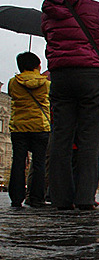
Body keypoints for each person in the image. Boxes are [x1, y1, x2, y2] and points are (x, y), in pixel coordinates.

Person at [41, 0, 99, 210]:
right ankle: (85, 198)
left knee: (60, 138)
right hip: (90, 76)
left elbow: (50, 39)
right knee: (90, 138)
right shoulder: (97, 8)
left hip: (60, 77)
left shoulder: (48, 11)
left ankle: (60, 199)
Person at [7, 52, 51, 208]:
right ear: (38, 66)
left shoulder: (13, 83)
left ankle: (16, 198)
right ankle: (36, 197)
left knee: (18, 162)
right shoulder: (46, 84)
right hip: (40, 127)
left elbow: (13, 95)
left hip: (19, 128)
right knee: (39, 163)